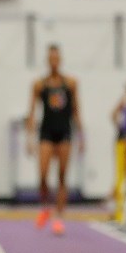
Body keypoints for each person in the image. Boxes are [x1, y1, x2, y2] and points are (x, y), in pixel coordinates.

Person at [26, 44, 81, 235]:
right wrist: (29, 138)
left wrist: (81, 137)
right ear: (47, 61)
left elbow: (76, 110)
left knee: (62, 175)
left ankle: (59, 216)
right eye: (51, 59)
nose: (54, 62)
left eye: (57, 59)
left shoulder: (71, 83)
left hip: (64, 132)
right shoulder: (40, 85)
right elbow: (32, 113)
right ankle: (45, 207)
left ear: (60, 60)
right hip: (46, 133)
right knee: (42, 174)